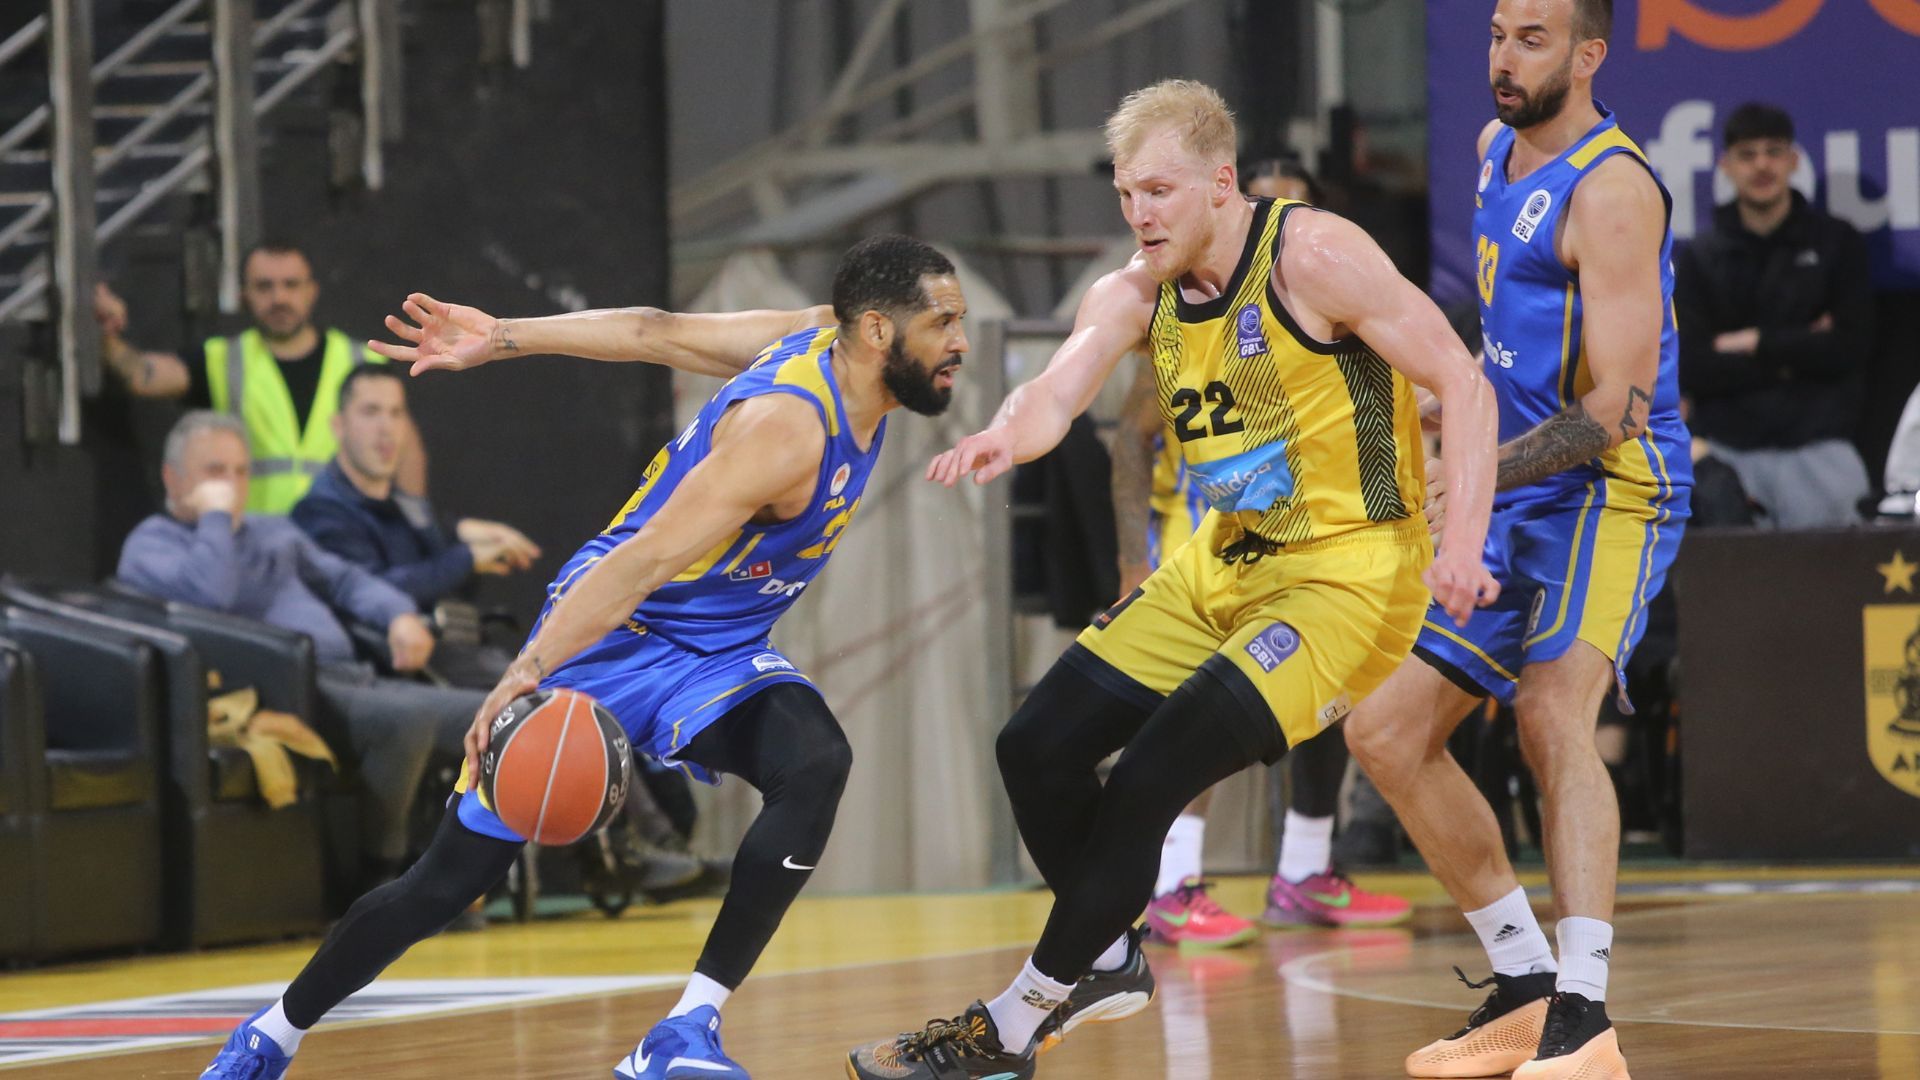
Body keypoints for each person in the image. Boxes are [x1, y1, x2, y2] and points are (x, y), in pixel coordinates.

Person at [847, 78, 1500, 1080]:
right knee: (1034, 747)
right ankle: (1108, 954)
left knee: (1150, 775)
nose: (1138, 214)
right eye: (1125, 194)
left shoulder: (1314, 255)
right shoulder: (1135, 291)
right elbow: (1057, 388)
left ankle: (1014, 1024)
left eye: (1157, 191)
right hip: (1223, 560)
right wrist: (1008, 434)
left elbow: (1462, 379)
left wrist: (1464, 544)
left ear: (1221, 183)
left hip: (1348, 577)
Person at [198, 235, 961, 1080]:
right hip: (614, 629)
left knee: (815, 761)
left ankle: (683, 1031)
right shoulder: (787, 431)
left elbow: (651, 331)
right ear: (877, 332)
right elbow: (642, 563)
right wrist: (524, 673)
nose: (959, 341)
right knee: (444, 884)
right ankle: (269, 1036)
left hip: (715, 648)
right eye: (943, 323)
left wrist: (502, 336)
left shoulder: (825, 337)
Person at [1343, 3, 1692, 1078]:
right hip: (1513, 475)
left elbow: (1617, 408)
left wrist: (1480, 467)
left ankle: (1585, 1018)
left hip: (1611, 485)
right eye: (1497, 32)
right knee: (1386, 732)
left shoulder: (1615, 191)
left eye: (1532, 38)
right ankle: (1527, 983)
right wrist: (1450, 407)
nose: (1503, 56)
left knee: (1550, 712)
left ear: (1589, 55)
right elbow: (1510, 337)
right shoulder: (1495, 146)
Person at [1113, 157, 1412, 949]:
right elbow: (1130, 440)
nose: (1284, 231)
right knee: (1200, 712)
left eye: (1298, 213)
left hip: (1309, 539)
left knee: (1329, 693)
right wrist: (1132, 563)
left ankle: (1304, 869)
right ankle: (1172, 882)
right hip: (1206, 539)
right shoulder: (1192, 311)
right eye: (1269, 209)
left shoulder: (1325, 297)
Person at [117, 411, 482, 883]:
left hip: (355, 676)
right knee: (408, 722)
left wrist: (398, 615)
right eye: (215, 472)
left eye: (240, 472)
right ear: (174, 478)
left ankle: (466, 869)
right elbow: (210, 594)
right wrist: (214, 517)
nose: (231, 486)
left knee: (493, 714)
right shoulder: (151, 544)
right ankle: (380, 878)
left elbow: (345, 579)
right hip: (283, 688)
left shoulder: (273, 531)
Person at [95, 241, 426, 514]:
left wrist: (415, 523)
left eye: (291, 285)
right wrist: (102, 329)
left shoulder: (362, 360)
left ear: (312, 291)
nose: (279, 298)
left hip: (348, 542)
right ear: (244, 294)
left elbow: (406, 446)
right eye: (264, 287)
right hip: (257, 547)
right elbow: (144, 376)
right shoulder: (224, 360)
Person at [1675, 102, 1874, 528]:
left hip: (1820, 452)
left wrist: (1753, 343)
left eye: (1773, 151)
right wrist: (1801, 348)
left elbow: (1850, 347)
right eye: (1747, 155)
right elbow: (1692, 365)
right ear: (1725, 165)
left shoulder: (1837, 243)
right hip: (1725, 453)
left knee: (1840, 571)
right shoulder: (1699, 257)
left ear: (1794, 160)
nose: (1762, 165)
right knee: (1728, 571)